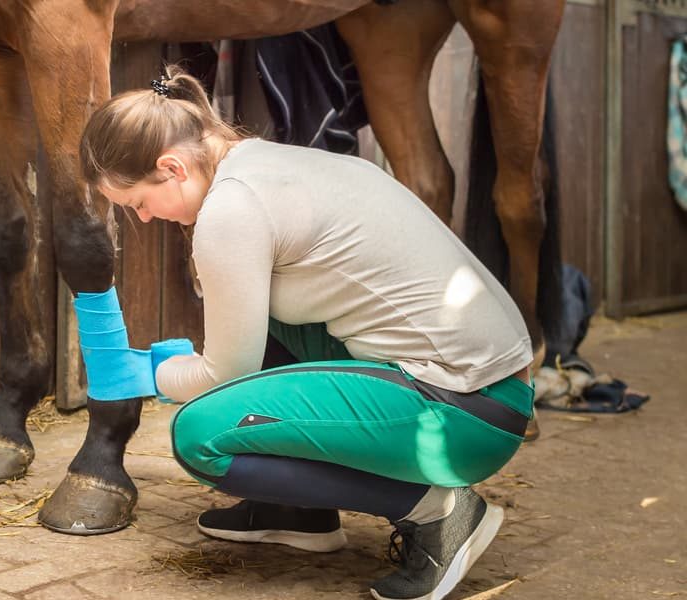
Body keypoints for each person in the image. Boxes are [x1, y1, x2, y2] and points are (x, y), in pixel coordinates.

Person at [79, 66, 534, 600]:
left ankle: (440, 512)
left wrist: (144, 371)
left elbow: (226, 374)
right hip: (495, 388)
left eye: (138, 204)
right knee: (257, 311)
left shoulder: (230, 210)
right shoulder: (268, 162)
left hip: (463, 412)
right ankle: (299, 511)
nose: (148, 218)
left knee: (200, 435)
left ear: (171, 167)